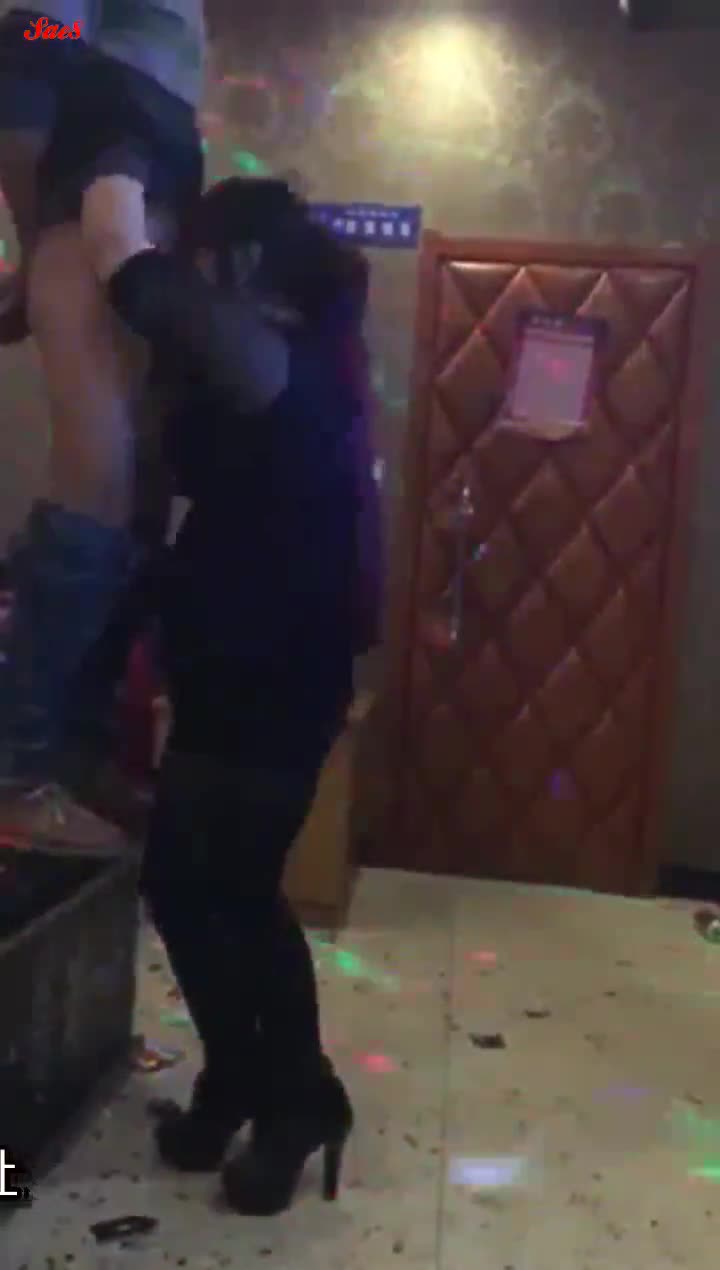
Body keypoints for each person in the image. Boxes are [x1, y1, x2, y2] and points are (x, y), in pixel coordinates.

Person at [81, 172, 381, 1214]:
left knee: (235, 892)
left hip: (277, 673)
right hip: (232, 664)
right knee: (192, 888)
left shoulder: (276, 354)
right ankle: (245, 1079)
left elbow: (146, 288)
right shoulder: (285, 359)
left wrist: (112, 201)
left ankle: (298, 1098)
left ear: (244, 262)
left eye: (206, 253)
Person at [0, 0, 204, 847]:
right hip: (110, 158)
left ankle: (71, 750)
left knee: (138, 485)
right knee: (100, 473)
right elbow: (29, 37)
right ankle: (17, 768)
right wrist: (31, 238)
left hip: (141, 156)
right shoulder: (98, 56)